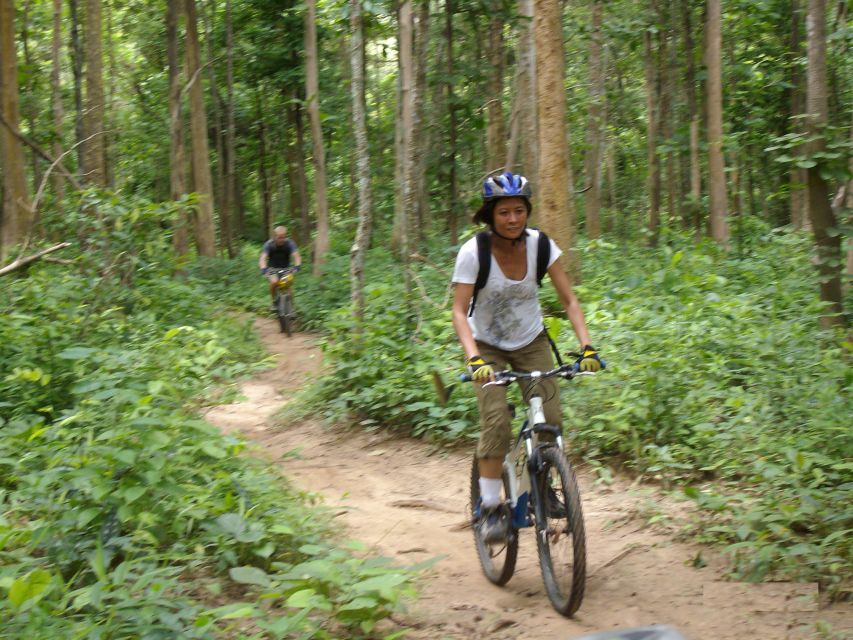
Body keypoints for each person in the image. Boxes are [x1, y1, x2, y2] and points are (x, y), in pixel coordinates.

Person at [451, 171, 602, 544]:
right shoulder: (475, 252)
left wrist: (587, 346)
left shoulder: (541, 246)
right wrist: (474, 359)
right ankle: (490, 508)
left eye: (519, 210)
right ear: (491, 215)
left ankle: (543, 486)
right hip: (488, 347)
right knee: (497, 422)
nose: (513, 218)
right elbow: (458, 311)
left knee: (549, 421)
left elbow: (569, 300)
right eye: (504, 212)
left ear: (527, 212)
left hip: (531, 341)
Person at [259, 226, 302, 310]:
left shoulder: (289, 243)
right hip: (272, 269)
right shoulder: (269, 244)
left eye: (283, 237)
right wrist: (264, 269)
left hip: (286, 268)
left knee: (288, 285)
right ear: (275, 236)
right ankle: (274, 302)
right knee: (274, 282)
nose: (281, 239)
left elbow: (296, 256)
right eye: (279, 237)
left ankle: (291, 308)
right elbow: (263, 258)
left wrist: (297, 266)